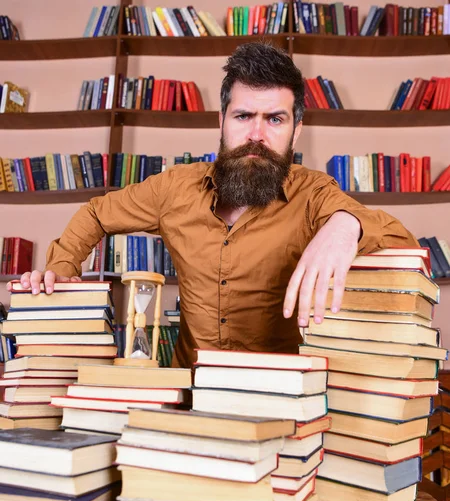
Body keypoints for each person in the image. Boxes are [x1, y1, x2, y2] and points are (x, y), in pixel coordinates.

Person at [12, 43, 418, 369]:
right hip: (190, 393)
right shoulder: (174, 188)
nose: (256, 134)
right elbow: (97, 213)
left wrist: (346, 226)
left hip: (282, 402)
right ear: (221, 120)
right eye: (244, 116)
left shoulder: (315, 194)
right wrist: (61, 273)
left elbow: (404, 244)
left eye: (275, 119)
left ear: (297, 131)